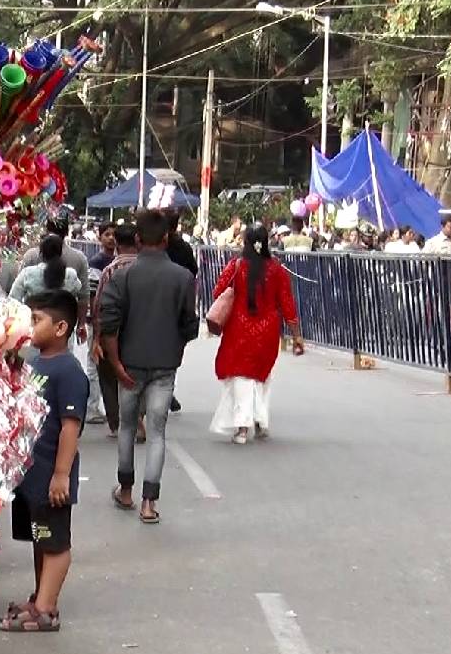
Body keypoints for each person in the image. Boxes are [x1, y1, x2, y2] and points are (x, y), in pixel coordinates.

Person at [99, 210, 199, 524]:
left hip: (129, 364)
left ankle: (125, 490)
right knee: (157, 432)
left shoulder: (121, 276)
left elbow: (109, 325)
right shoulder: (183, 278)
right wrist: (176, 353)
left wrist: (116, 364)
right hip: (164, 365)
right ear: (166, 238)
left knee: (128, 426)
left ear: (138, 239)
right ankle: (149, 503)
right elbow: (189, 326)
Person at [0, 289, 87, 632]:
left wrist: (61, 474)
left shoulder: (69, 371)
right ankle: (40, 598)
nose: (29, 326)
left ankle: (47, 608)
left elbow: (70, 427)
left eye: (36, 320)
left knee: (55, 541)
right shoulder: (33, 362)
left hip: (51, 476)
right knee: (41, 537)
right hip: (31, 476)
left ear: (61, 327)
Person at [210, 226, 305, 444]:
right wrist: (296, 335)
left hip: (239, 328)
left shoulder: (236, 266)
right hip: (268, 330)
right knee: (262, 375)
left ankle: (242, 428)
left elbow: (218, 292)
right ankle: (261, 421)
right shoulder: (277, 270)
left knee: (242, 376)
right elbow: (287, 304)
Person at [90, 224, 139, 439]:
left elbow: (99, 304)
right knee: (135, 373)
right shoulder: (145, 267)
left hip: (113, 330)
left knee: (109, 374)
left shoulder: (109, 270)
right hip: (139, 329)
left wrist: (96, 337)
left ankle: (116, 422)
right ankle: (136, 416)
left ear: (117, 243)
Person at [10, 235, 83, 304]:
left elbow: (13, 299)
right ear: (60, 253)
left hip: (34, 316)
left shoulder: (27, 274)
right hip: (63, 316)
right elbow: (80, 296)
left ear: (41, 254)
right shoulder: (71, 275)